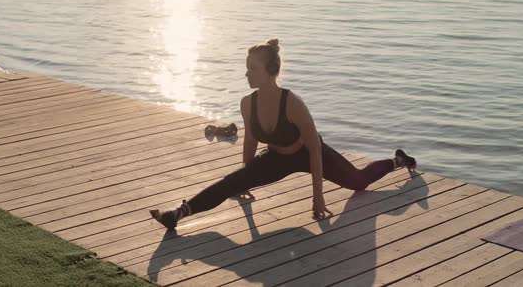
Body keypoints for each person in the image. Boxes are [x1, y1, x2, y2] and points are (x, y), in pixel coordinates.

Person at [149, 38, 417, 230]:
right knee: (229, 182)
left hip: (307, 153)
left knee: (357, 182)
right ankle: (178, 214)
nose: (246, 73)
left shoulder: (292, 103)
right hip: (276, 158)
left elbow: (313, 148)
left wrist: (318, 197)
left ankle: (398, 161)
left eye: (252, 68)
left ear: (270, 71)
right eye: (247, 67)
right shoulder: (248, 102)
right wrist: (245, 177)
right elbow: (252, 140)